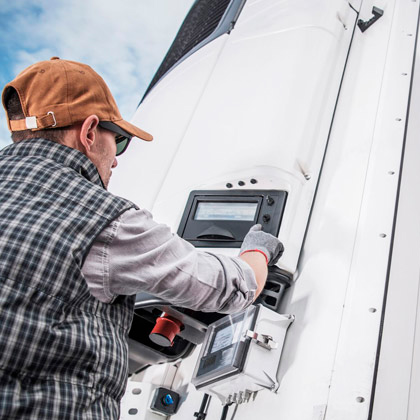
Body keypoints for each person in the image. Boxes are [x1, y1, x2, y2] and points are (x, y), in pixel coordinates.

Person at [0, 57, 284, 419]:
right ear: (88, 132)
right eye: (118, 142)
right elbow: (231, 287)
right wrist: (258, 250)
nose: (116, 161)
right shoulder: (99, 217)